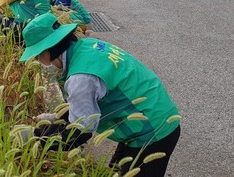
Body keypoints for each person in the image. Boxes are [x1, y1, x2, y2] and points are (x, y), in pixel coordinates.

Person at [19, 12, 181, 177]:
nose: (40, 61)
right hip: (152, 111)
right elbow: (89, 101)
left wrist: (35, 137)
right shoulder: (88, 46)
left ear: (47, 50)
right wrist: (57, 116)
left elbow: (79, 132)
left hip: (153, 130)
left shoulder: (80, 78)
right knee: (114, 171)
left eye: (38, 55)